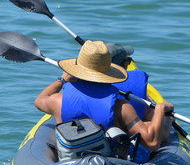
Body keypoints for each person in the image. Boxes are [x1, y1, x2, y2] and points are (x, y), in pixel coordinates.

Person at [34, 40, 173, 153]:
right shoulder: (121, 107)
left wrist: (62, 80)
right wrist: (160, 109)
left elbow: (39, 101)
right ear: (109, 73)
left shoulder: (58, 101)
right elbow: (152, 142)